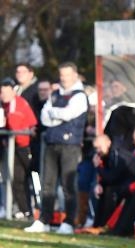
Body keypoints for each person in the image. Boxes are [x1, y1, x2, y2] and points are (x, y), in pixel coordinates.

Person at [25, 62, 88, 234]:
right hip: (52, 142)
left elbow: (68, 114)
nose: (64, 79)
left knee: (68, 185)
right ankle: (44, 219)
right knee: (48, 183)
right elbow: (45, 117)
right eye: (62, 75)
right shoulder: (55, 94)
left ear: (74, 75)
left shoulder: (79, 96)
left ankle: (69, 222)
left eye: (67, 75)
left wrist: (55, 113)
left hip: (70, 145)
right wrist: (57, 114)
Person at [0, 77, 37, 219]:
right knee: (13, 179)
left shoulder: (19, 104)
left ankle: (32, 209)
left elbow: (24, 125)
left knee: (26, 177)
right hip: (7, 147)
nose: (3, 95)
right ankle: (21, 210)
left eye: (6, 91)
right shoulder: (3, 105)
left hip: (22, 147)